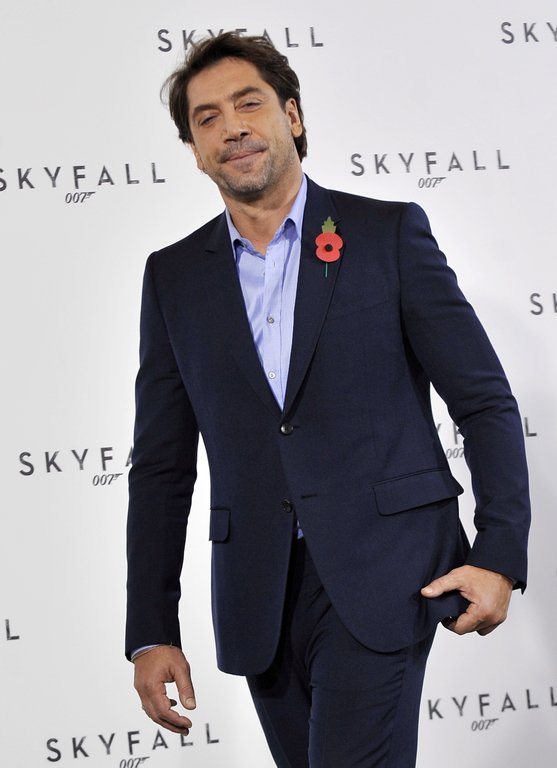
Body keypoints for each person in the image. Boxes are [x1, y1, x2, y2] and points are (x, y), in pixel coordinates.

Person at [125, 31, 530, 767]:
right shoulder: (173, 278)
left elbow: (483, 401)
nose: (232, 127)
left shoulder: (386, 235)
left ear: (292, 115)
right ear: (194, 150)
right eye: (208, 117)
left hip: (387, 571)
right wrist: (151, 631)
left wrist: (498, 551)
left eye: (249, 104)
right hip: (258, 595)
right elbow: (160, 467)